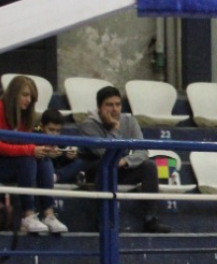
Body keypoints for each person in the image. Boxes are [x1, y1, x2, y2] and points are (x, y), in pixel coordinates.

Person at [79, 85, 171, 233]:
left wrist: (125, 161)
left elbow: (142, 151)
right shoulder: (88, 125)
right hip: (96, 170)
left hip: (121, 167)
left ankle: (150, 219)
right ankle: (104, 219)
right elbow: (104, 152)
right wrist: (115, 129)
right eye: (109, 105)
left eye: (118, 104)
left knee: (149, 166)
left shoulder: (129, 121)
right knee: (105, 166)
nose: (115, 109)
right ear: (99, 107)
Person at [0, 75, 69, 234]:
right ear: (14, 93)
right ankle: (28, 214)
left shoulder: (26, 116)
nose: (28, 100)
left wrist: (43, 149)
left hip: (13, 162)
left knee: (42, 159)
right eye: (25, 95)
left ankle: (49, 214)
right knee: (27, 159)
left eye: (31, 97)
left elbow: (24, 143)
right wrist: (30, 150)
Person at [38, 109, 90, 187]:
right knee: (45, 162)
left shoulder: (60, 139)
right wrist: (46, 154)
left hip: (57, 170)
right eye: (51, 130)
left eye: (58, 131)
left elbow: (62, 161)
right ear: (42, 127)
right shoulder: (35, 137)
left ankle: (56, 177)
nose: (55, 134)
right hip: (42, 168)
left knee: (80, 162)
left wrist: (69, 157)